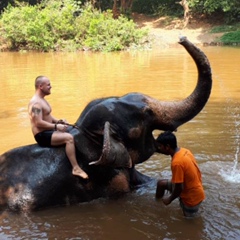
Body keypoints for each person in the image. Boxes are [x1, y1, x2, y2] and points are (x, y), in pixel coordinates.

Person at [28, 75, 88, 179]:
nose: (51, 86)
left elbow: (48, 116)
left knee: (72, 130)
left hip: (48, 130)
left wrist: (59, 121)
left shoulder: (42, 100)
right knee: (69, 138)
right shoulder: (35, 104)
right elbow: (38, 122)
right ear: (40, 86)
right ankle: (76, 168)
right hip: (42, 135)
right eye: (48, 84)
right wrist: (56, 127)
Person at [155, 131, 205, 217]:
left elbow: (179, 188)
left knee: (188, 224)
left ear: (167, 147)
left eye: (160, 146)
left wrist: (169, 199)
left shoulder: (177, 162)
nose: (159, 149)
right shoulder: (184, 151)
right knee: (161, 184)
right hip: (191, 186)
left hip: (191, 198)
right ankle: (157, 204)